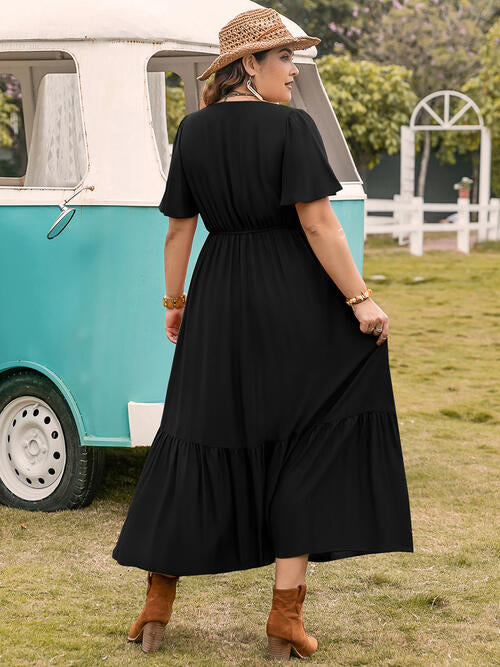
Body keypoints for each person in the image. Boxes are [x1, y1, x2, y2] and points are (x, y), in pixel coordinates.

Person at [112, 7, 414, 660]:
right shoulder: (291, 127)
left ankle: (157, 605)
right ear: (248, 64)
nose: (293, 73)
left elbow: (179, 229)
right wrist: (360, 299)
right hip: (290, 300)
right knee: (305, 442)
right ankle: (283, 618)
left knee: (193, 435)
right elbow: (319, 224)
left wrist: (175, 302)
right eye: (284, 59)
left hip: (218, 295)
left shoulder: (193, 131)